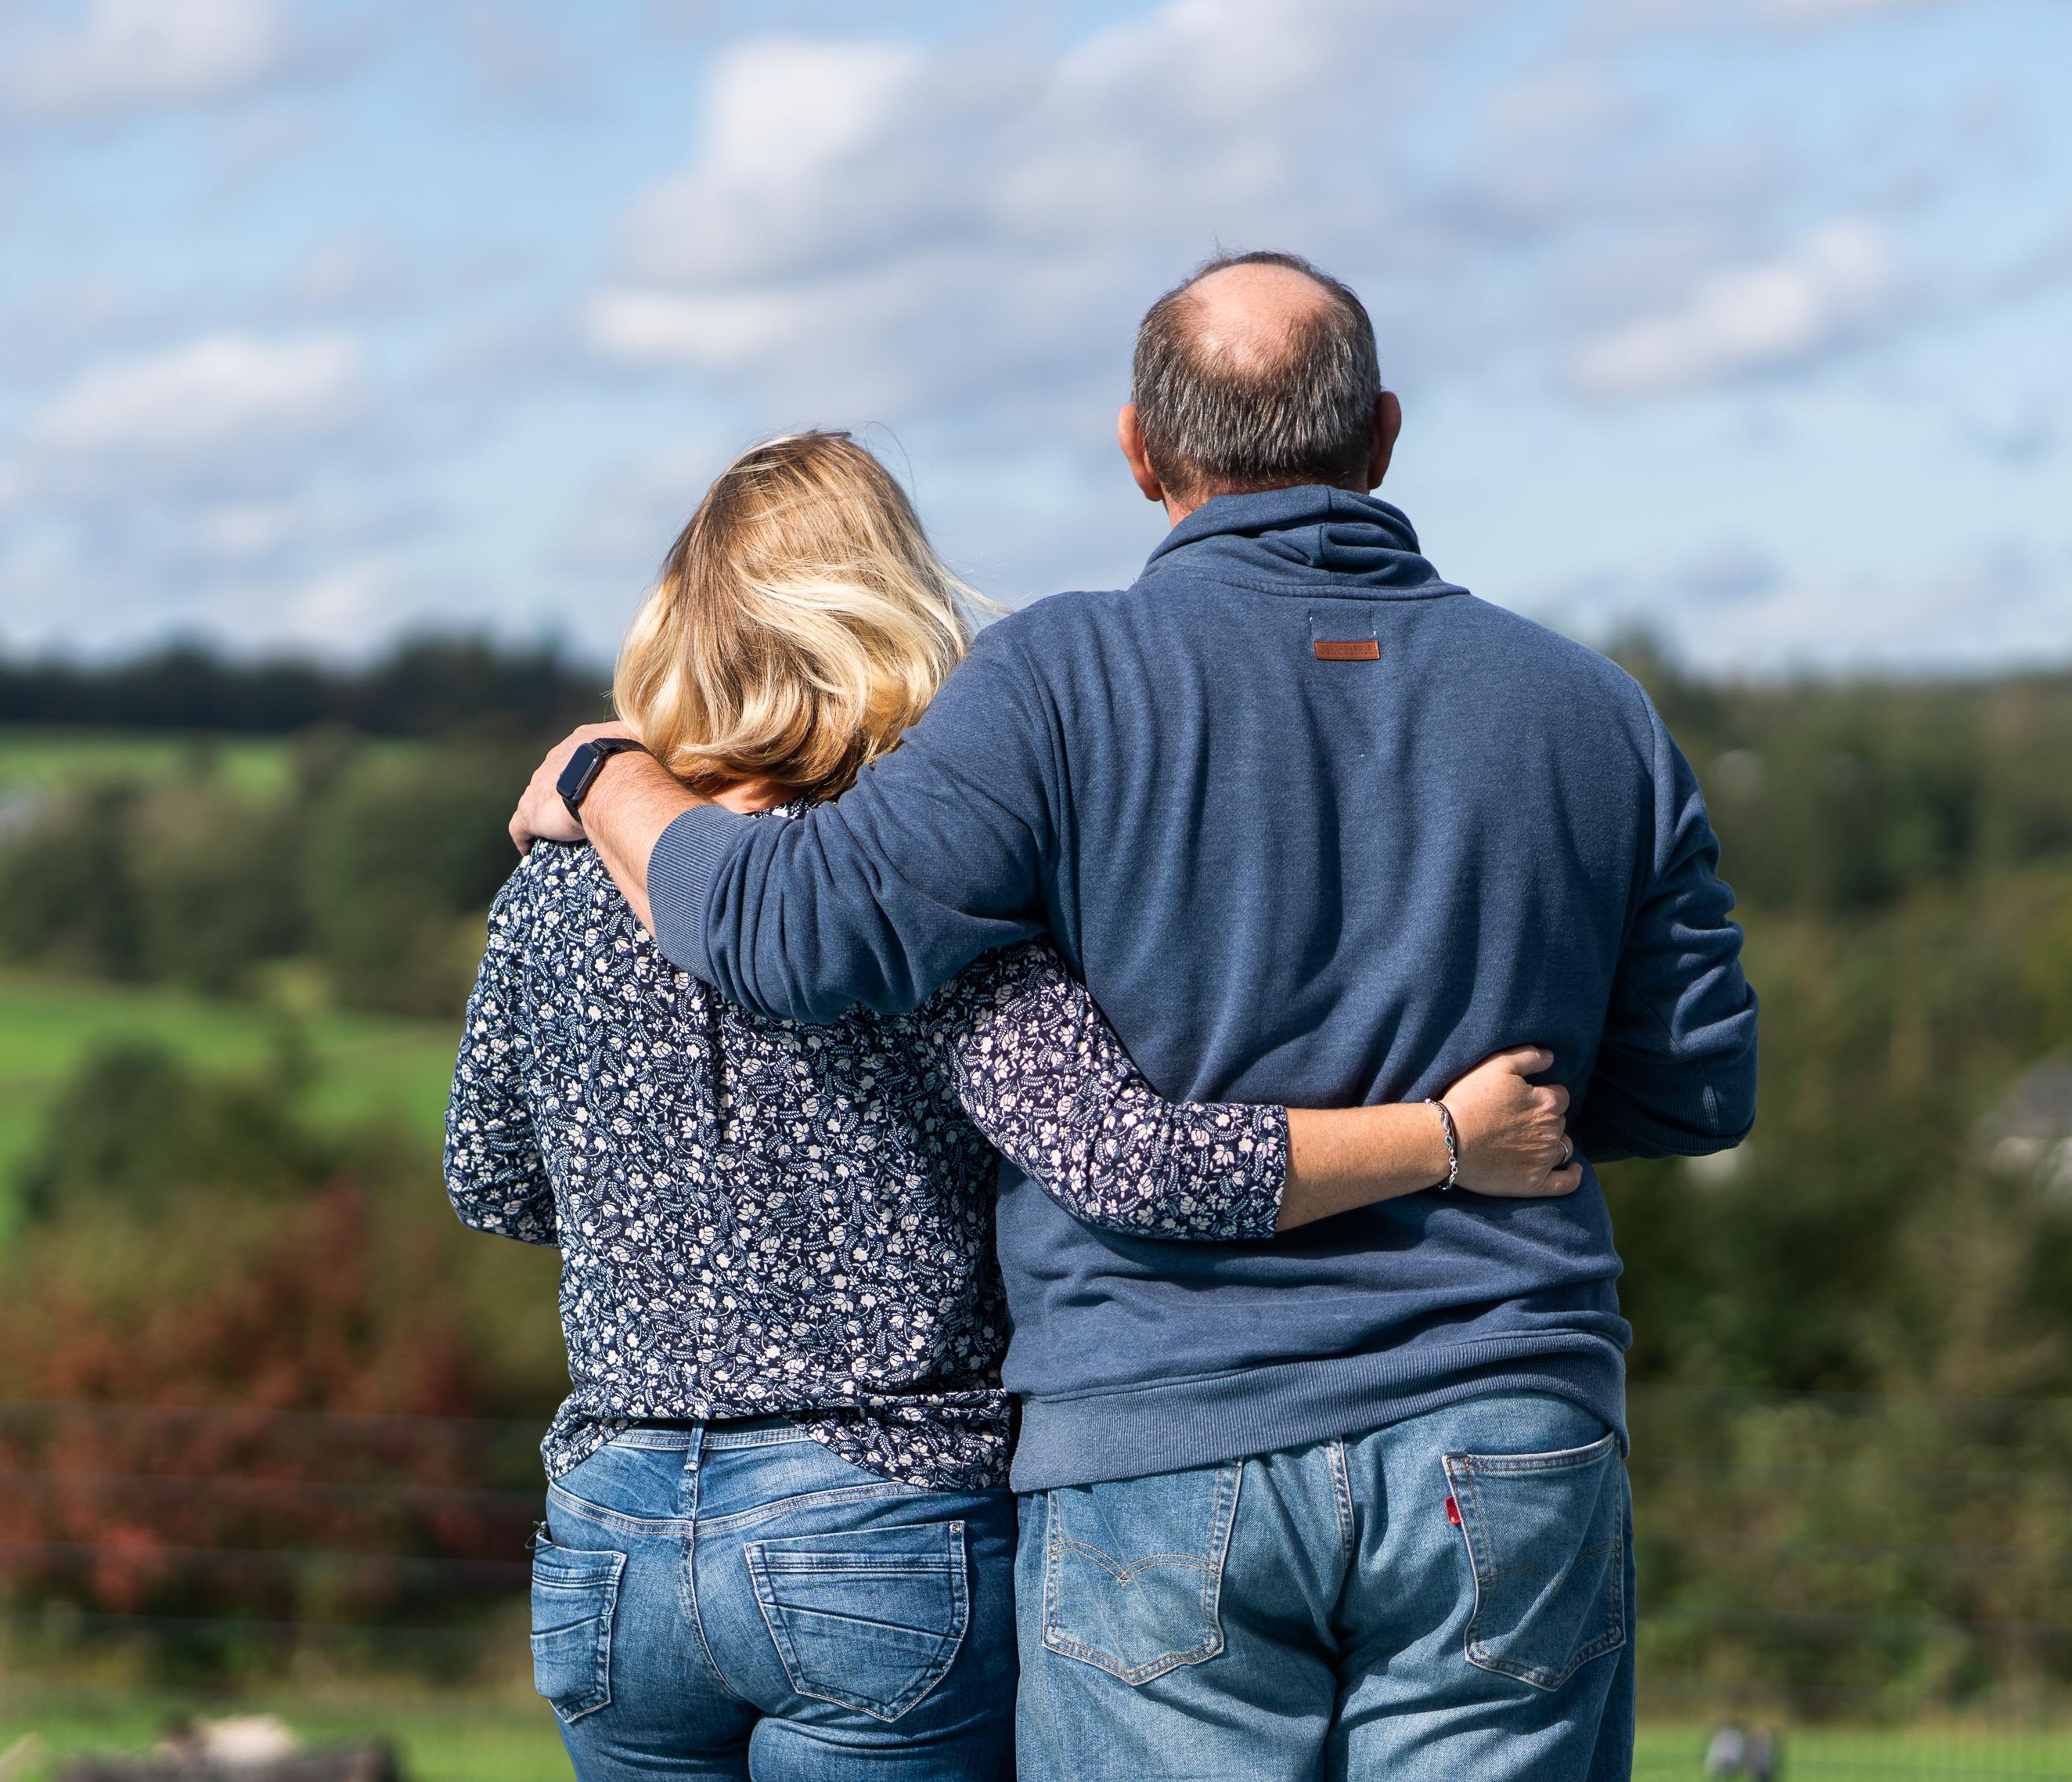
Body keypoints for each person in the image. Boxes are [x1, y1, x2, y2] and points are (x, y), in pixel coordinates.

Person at [510, 254, 1760, 1780]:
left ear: (1139, 450)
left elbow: (786, 931)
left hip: (1149, 1444)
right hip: (1497, 1420)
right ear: (1381, 435)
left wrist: (607, 775)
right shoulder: (1597, 711)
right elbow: (1696, 1087)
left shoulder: (1052, 687)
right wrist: (1456, 1123)